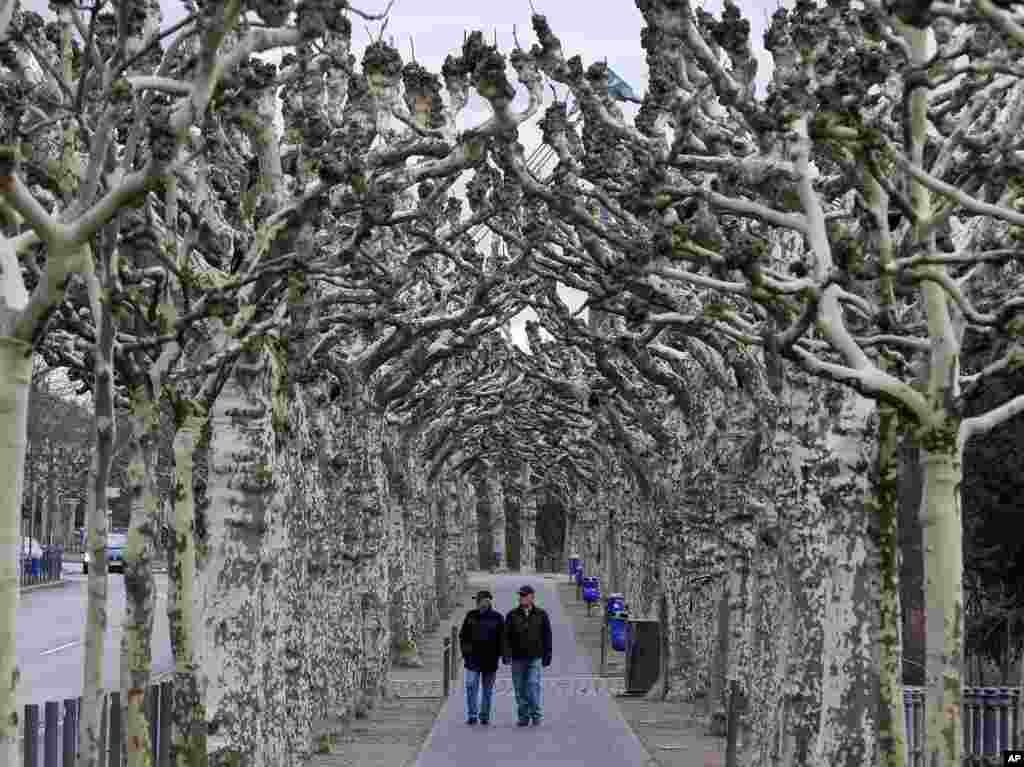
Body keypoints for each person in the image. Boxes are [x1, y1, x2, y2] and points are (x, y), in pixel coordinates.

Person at [503, 584, 552, 726]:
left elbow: (547, 636)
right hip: (517, 658)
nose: (521, 598)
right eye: (520, 595)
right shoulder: (512, 615)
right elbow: (506, 637)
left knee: (532, 684)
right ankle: (523, 716)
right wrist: (506, 654)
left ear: (532, 597)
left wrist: (547, 655)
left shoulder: (541, 614)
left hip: (535, 657)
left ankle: (536, 714)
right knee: (519, 689)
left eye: (524, 595)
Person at [458, 589, 504, 725]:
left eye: (482, 601)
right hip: (472, 659)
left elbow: (503, 638)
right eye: (478, 601)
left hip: (490, 660)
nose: (479, 603)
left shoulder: (497, 617)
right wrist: (466, 653)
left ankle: (484, 715)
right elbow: (463, 636)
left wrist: (501, 654)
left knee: (487, 690)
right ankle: (472, 715)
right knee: (471, 685)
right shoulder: (470, 616)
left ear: (488, 602)